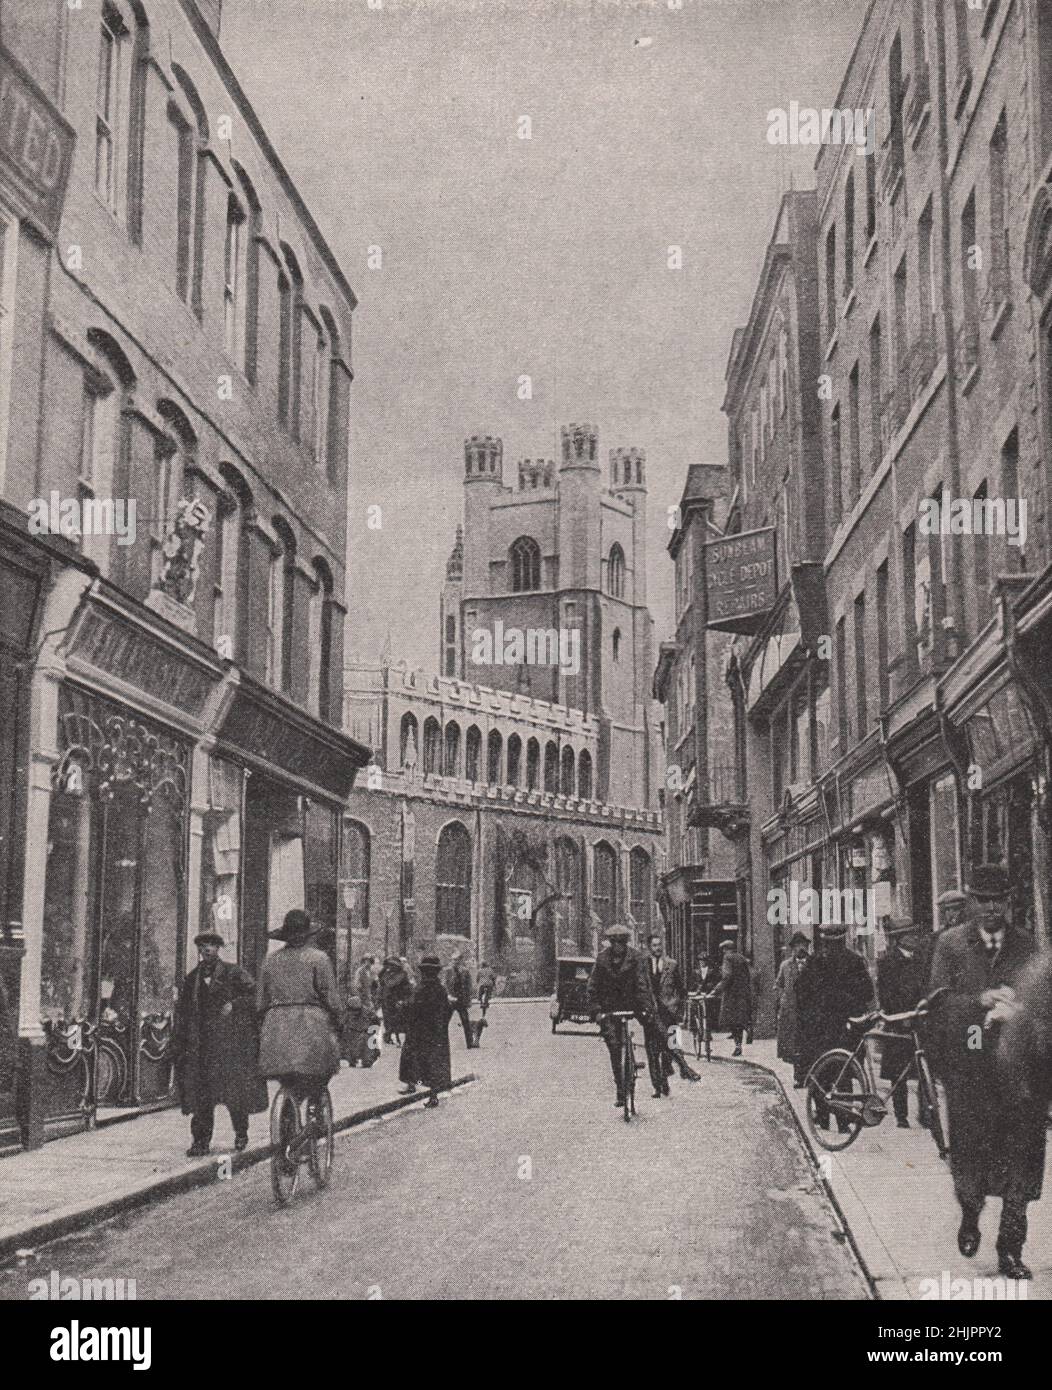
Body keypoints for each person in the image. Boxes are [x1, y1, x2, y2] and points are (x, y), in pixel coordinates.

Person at [928, 864, 1044, 1280]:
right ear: (971, 902)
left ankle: (1010, 1250)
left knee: (1021, 1166)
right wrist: (979, 1000)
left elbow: (1042, 1005)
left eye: (998, 900)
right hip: (971, 1075)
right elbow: (937, 1007)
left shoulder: (1028, 947)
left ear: (1009, 900)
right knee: (971, 1164)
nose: (991, 908)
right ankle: (970, 1215)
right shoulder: (951, 946)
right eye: (982, 900)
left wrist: (1021, 1011)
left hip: (1019, 1076)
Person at [173, 930, 267, 1157]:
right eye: (203, 945)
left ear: (218, 948)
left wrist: (234, 1005)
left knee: (234, 1096)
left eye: (212, 945)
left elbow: (255, 995)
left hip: (228, 1046)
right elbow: (184, 1013)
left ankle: (241, 1133)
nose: (207, 949)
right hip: (203, 1048)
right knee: (202, 1098)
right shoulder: (192, 979)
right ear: (199, 949)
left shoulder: (234, 973)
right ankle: (200, 1142)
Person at [256, 910, 343, 1116]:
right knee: (321, 1070)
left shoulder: (270, 960)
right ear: (307, 934)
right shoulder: (318, 959)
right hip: (310, 1025)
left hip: (276, 1028)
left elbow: (260, 1001)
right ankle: (314, 1108)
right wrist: (339, 1018)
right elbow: (330, 997)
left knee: (287, 1076)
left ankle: (289, 1113)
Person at [794, 922, 874, 1130]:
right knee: (844, 1071)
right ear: (843, 938)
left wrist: (811, 1014)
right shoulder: (855, 960)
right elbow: (867, 993)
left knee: (821, 1071)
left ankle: (823, 1116)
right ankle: (844, 1120)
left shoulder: (815, 961)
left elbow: (800, 991)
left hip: (819, 1028)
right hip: (846, 1026)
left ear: (824, 940)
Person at [585, 924, 661, 1106]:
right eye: (614, 942)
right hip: (609, 1009)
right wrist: (596, 1011)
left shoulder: (636, 958)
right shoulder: (602, 959)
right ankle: (620, 1089)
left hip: (632, 1005)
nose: (618, 946)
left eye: (621, 942)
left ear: (626, 943)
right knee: (613, 1045)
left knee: (653, 1030)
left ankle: (643, 1071)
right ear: (611, 943)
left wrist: (646, 1008)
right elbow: (592, 986)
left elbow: (642, 985)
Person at [875, 919, 930, 1128]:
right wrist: (899, 1014)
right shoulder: (887, 962)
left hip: (919, 1020)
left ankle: (926, 1114)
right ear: (899, 939)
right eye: (910, 935)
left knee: (925, 1069)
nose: (915, 938)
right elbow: (885, 994)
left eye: (915, 934)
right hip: (899, 1023)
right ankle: (901, 1116)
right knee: (899, 1073)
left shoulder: (921, 960)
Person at [645, 933, 699, 1087]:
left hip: (669, 1011)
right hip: (650, 1012)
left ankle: (668, 1072)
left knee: (672, 1043)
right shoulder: (643, 966)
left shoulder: (672, 965)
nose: (658, 948)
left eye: (659, 944)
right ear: (650, 947)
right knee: (652, 1050)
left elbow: (681, 989)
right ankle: (657, 1084)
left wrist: (678, 1008)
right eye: (654, 945)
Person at [399, 955, 454, 1107]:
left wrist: (403, 1007)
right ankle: (433, 1095)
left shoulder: (420, 989)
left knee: (411, 1057)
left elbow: (413, 1009)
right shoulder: (440, 990)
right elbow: (448, 1010)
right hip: (436, 1032)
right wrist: (441, 1025)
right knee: (434, 1063)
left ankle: (411, 1085)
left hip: (418, 1032)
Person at [705, 938, 753, 1056]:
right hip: (743, 993)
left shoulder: (727, 958)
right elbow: (749, 975)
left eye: (723, 950)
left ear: (726, 950)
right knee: (740, 1020)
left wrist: (716, 990)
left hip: (731, 994)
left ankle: (738, 1045)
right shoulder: (741, 958)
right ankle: (747, 1028)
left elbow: (727, 976)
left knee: (731, 1021)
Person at [775, 931, 810, 1086]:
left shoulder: (814, 963)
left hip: (810, 1011)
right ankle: (799, 1077)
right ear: (792, 948)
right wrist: (784, 999)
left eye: (803, 945)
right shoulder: (785, 965)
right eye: (797, 946)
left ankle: (810, 1076)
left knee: (809, 1044)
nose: (800, 948)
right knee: (795, 1045)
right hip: (792, 1011)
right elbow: (778, 984)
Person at [342, 954, 380, 1066]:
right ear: (363, 961)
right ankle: (353, 1054)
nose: (368, 963)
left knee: (371, 1026)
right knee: (356, 1028)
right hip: (360, 1002)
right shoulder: (360, 971)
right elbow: (356, 986)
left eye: (370, 961)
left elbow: (375, 986)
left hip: (369, 1002)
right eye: (366, 961)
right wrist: (358, 1000)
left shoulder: (371, 972)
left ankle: (369, 1053)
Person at [378, 956, 413, 1044]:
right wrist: (384, 968)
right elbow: (381, 979)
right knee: (387, 1019)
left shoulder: (402, 974)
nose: (391, 967)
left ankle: (394, 1036)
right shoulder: (387, 973)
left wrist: (403, 999)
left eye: (393, 965)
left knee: (396, 1019)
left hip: (397, 999)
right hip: (387, 1000)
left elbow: (405, 987)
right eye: (390, 965)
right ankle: (388, 1036)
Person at [449, 952, 476, 1049]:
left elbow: (469, 987)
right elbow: (445, 984)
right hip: (451, 1000)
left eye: (456, 960)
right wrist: (447, 996)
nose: (454, 962)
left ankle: (470, 1043)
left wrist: (469, 1000)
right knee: (443, 1021)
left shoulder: (465, 971)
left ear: (460, 961)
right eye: (453, 960)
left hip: (461, 1000)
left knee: (465, 1021)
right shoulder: (449, 971)